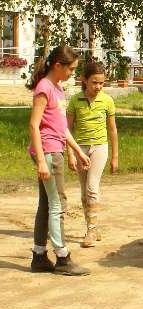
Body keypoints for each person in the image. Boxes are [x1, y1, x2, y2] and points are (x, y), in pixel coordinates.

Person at [27, 45, 91, 275]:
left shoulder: (58, 88)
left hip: (55, 149)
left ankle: (39, 255)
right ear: (57, 66)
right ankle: (62, 257)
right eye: (70, 69)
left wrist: (78, 151)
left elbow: (61, 127)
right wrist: (43, 161)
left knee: (46, 204)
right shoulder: (44, 88)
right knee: (57, 205)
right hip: (49, 153)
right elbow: (34, 125)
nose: (72, 73)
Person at [67, 60, 119, 248]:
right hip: (80, 147)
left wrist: (115, 156)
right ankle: (91, 226)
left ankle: (92, 230)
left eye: (101, 83)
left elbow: (112, 130)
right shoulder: (75, 100)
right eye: (94, 82)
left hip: (99, 147)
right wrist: (71, 154)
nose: (98, 86)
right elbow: (68, 129)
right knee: (83, 192)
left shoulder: (107, 100)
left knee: (91, 186)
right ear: (84, 80)